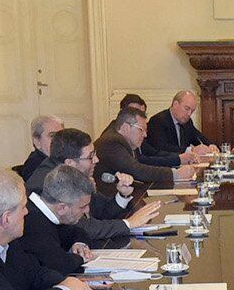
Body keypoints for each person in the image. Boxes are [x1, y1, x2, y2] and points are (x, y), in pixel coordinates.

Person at [29, 127, 162, 241]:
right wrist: (129, 223)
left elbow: (102, 210)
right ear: (70, 163)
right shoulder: (50, 183)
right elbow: (83, 227)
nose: (96, 160)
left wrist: (123, 195)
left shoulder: (72, 176)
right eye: (90, 156)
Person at [20, 163, 98, 276]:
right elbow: (60, 265)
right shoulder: (32, 223)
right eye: (82, 207)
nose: (87, 210)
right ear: (62, 208)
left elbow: (76, 232)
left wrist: (79, 244)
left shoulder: (50, 211)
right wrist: (80, 258)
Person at [97, 108, 193, 194]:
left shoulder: (124, 140)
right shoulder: (112, 142)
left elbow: (141, 163)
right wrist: (175, 174)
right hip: (109, 202)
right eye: (141, 130)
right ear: (126, 127)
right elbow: (136, 170)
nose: (145, 135)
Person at [144, 89, 216, 162]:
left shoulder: (187, 122)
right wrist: (191, 150)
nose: (189, 114)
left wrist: (210, 145)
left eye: (192, 111)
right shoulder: (158, 120)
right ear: (175, 104)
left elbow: (198, 137)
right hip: (166, 165)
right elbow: (161, 147)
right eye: (187, 109)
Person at [12, 113, 62, 185]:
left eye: (62, 135)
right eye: (52, 135)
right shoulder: (35, 167)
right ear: (37, 141)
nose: (59, 140)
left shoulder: (63, 160)